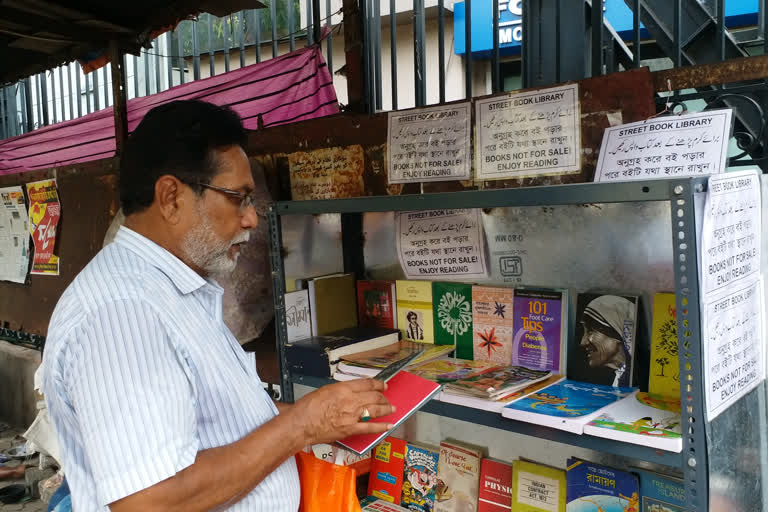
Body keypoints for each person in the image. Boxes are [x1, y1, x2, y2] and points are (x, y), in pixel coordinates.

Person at [41, 100, 394, 512]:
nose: (251, 219)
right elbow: (151, 500)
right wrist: (301, 425)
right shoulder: (122, 311)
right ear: (171, 197)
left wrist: (324, 418)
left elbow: (218, 420)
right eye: (238, 198)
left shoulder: (173, 290)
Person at [578, 295, 635, 387]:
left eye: (590, 331)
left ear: (617, 332)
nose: (583, 342)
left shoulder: (635, 383)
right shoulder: (621, 378)